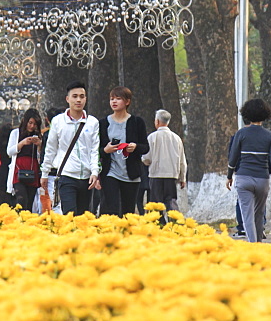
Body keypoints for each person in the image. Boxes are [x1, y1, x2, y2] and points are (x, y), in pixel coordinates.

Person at [41, 81, 101, 214]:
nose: (78, 100)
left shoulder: (92, 122)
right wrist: (44, 173)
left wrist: (94, 172)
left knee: (84, 217)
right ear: (67, 99)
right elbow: (50, 149)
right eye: (75, 96)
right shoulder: (58, 121)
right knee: (69, 214)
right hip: (66, 175)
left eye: (82, 96)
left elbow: (94, 150)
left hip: (86, 178)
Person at [227, 99, 271, 243]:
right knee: (259, 213)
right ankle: (257, 242)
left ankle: (253, 244)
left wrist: (229, 176)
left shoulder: (241, 133)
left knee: (247, 214)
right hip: (262, 179)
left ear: (247, 114)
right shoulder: (269, 135)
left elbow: (233, 158)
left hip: (244, 178)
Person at [99, 87, 150, 216]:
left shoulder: (137, 122)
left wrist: (135, 147)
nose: (114, 102)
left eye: (118, 98)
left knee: (128, 212)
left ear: (127, 102)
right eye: (111, 99)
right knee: (111, 209)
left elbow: (145, 147)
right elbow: (95, 150)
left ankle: (125, 234)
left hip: (131, 174)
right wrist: (106, 150)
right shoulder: (103, 123)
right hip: (110, 172)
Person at [142, 109, 187, 221]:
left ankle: (159, 225)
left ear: (157, 121)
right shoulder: (176, 138)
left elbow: (146, 158)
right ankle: (176, 224)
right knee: (171, 200)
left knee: (156, 204)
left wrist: (146, 162)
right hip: (172, 175)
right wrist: (183, 177)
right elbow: (182, 160)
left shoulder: (152, 137)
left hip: (156, 175)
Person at [7, 109, 43, 212]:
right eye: (30, 123)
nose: (32, 126)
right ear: (25, 121)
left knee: (30, 201)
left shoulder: (38, 135)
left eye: (35, 124)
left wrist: (39, 145)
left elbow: (41, 156)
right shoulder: (15, 133)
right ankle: (19, 221)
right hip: (18, 170)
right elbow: (9, 152)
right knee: (21, 199)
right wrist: (22, 143)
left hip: (32, 170)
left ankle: (27, 223)